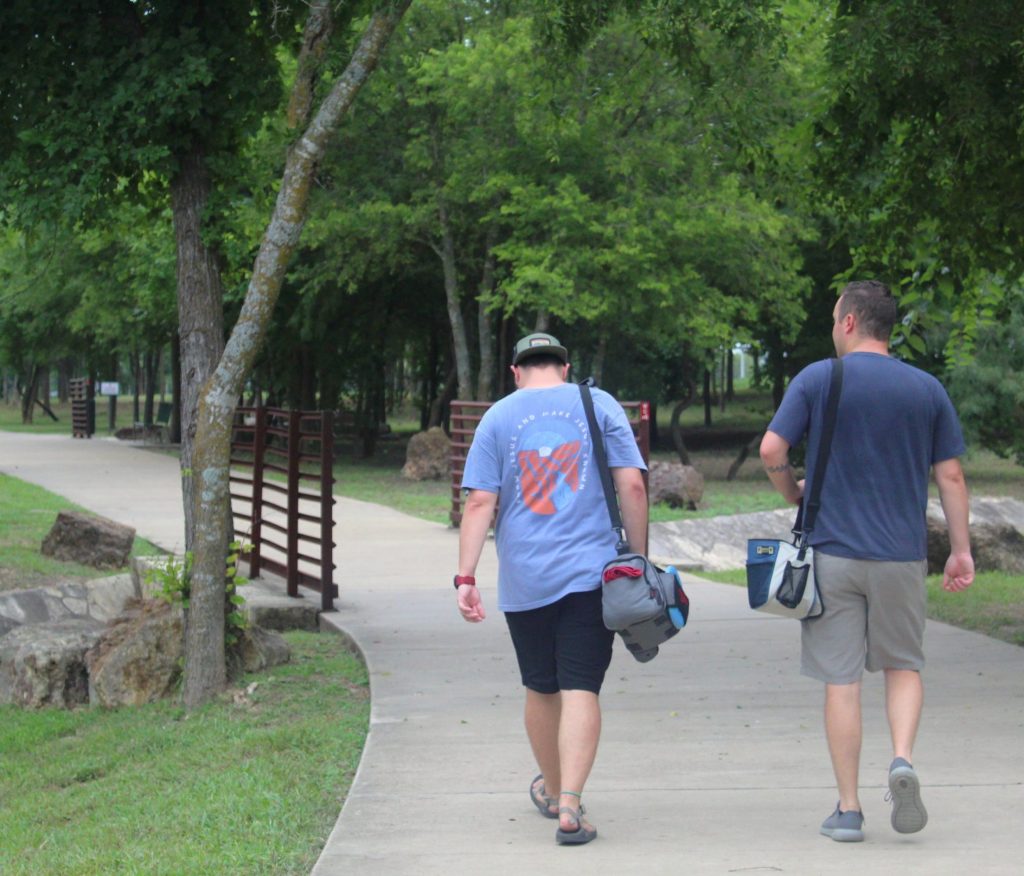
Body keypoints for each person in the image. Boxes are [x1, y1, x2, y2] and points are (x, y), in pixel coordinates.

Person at [760, 279, 974, 843]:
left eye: (835, 318)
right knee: (903, 666)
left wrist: (792, 493)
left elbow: (771, 450)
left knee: (841, 679)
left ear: (850, 322)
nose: (834, 327)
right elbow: (950, 475)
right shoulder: (926, 388)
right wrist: (960, 549)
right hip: (901, 555)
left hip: (832, 555)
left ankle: (850, 810)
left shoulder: (819, 379)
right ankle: (902, 759)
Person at [455, 332, 648, 846]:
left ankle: (553, 786)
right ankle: (570, 805)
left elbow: (479, 503)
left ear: (516, 372)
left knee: (541, 686)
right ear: (564, 367)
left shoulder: (497, 417)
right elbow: (632, 483)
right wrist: (639, 559)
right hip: (592, 575)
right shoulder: (598, 403)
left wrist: (466, 576)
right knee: (581, 685)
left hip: (526, 577)